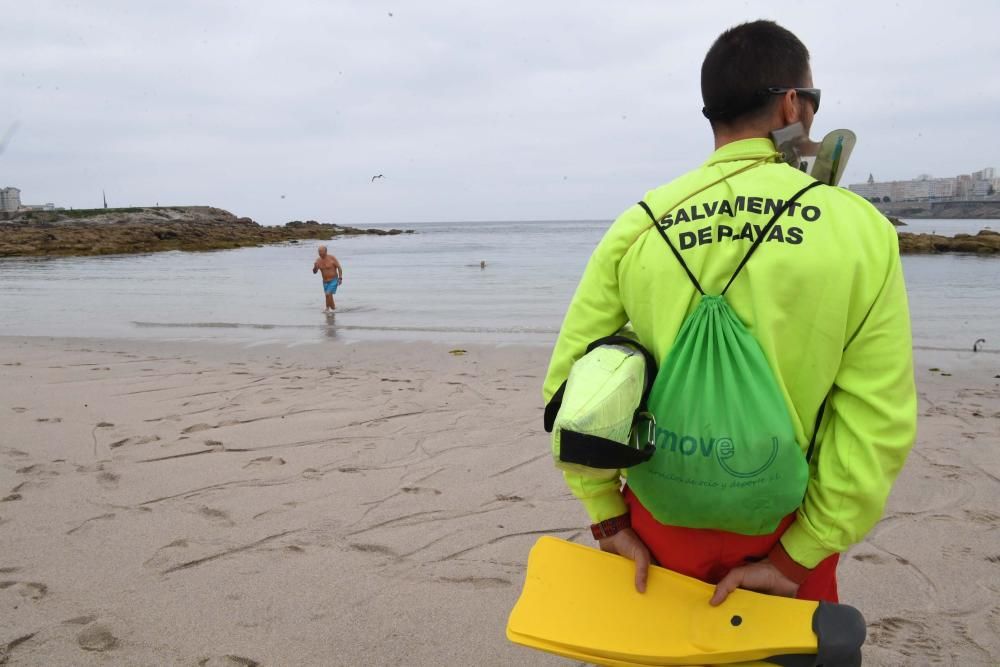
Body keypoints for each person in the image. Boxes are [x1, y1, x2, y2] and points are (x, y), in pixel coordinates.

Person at [542, 20, 916, 606]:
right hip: (786, 530)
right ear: (793, 104)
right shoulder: (858, 228)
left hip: (658, 523)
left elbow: (572, 386)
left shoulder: (639, 223)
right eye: (811, 100)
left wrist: (608, 519)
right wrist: (804, 553)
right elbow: (877, 415)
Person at [312, 245, 343, 312]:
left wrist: (340, 278)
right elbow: (315, 272)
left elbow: (339, 268)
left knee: (328, 294)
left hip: (333, 280)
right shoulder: (318, 260)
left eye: (321, 251)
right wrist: (315, 267)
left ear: (325, 251)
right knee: (329, 296)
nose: (319, 253)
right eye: (319, 252)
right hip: (325, 282)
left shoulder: (332, 258)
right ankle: (333, 310)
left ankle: (327, 309)